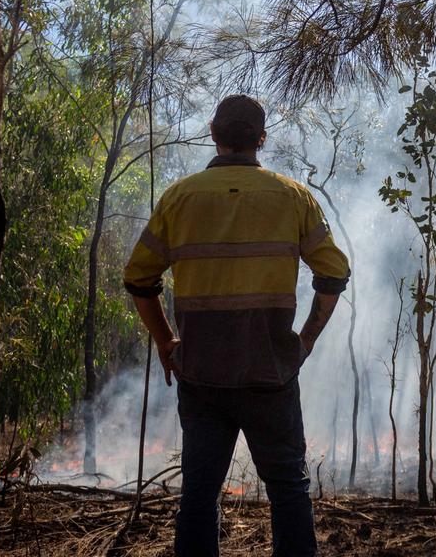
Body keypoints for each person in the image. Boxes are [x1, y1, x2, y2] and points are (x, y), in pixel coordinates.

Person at [123, 94, 349, 557]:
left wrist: (167, 341)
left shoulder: (179, 198)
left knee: (200, 496)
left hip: (201, 374)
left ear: (214, 134)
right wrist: (303, 342)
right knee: (288, 488)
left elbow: (137, 279)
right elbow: (334, 273)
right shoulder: (292, 197)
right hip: (270, 375)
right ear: (261, 139)